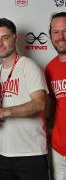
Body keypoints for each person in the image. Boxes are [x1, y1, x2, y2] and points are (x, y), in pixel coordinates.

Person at [0, 18, 49, 180]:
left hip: (31, 154)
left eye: (5, 37)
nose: (0, 43)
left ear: (15, 38)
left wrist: (4, 112)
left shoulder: (29, 66)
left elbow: (39, 104)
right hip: (1, 154)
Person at [45, 12, 66, 180]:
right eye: (56, 32)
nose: (61, 37)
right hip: (58, 148)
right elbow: (52, 106)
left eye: (65, 31)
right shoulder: (50, 68)